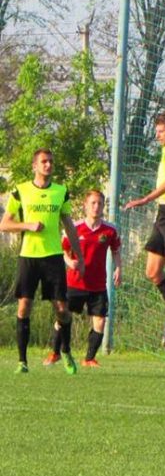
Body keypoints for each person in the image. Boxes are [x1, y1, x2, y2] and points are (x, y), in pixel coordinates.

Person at [0, 148, 84, 374]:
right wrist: (27, 225)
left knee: (62, 309)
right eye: (44, 162)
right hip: (28, 256)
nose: (48, 165)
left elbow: (69, 226)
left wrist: (79, 255)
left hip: (53, 257)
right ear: (34, 166)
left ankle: (65, 350)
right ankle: (22, 361)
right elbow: (4, 224)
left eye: (51, 162)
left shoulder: (60, 192)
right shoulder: (21, 191)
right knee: (24, 306)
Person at [124, 109, 165, 347]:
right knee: (153, 271)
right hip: (162, 214)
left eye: (161, 131)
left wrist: (145, 198)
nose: (157, 135)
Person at [46, 190, 122, 368]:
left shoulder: (110, 230)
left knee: (100, 321)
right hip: (75, 283)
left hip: (98, 285)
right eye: (93, 203)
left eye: (100, 203)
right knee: (63, 317)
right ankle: (55, 353)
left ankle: (89, 359)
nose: (96, 207)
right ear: (85, 206)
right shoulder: (74, 228)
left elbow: (116, 250)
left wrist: (119, 268)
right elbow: (62, 250)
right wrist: (69, 262)